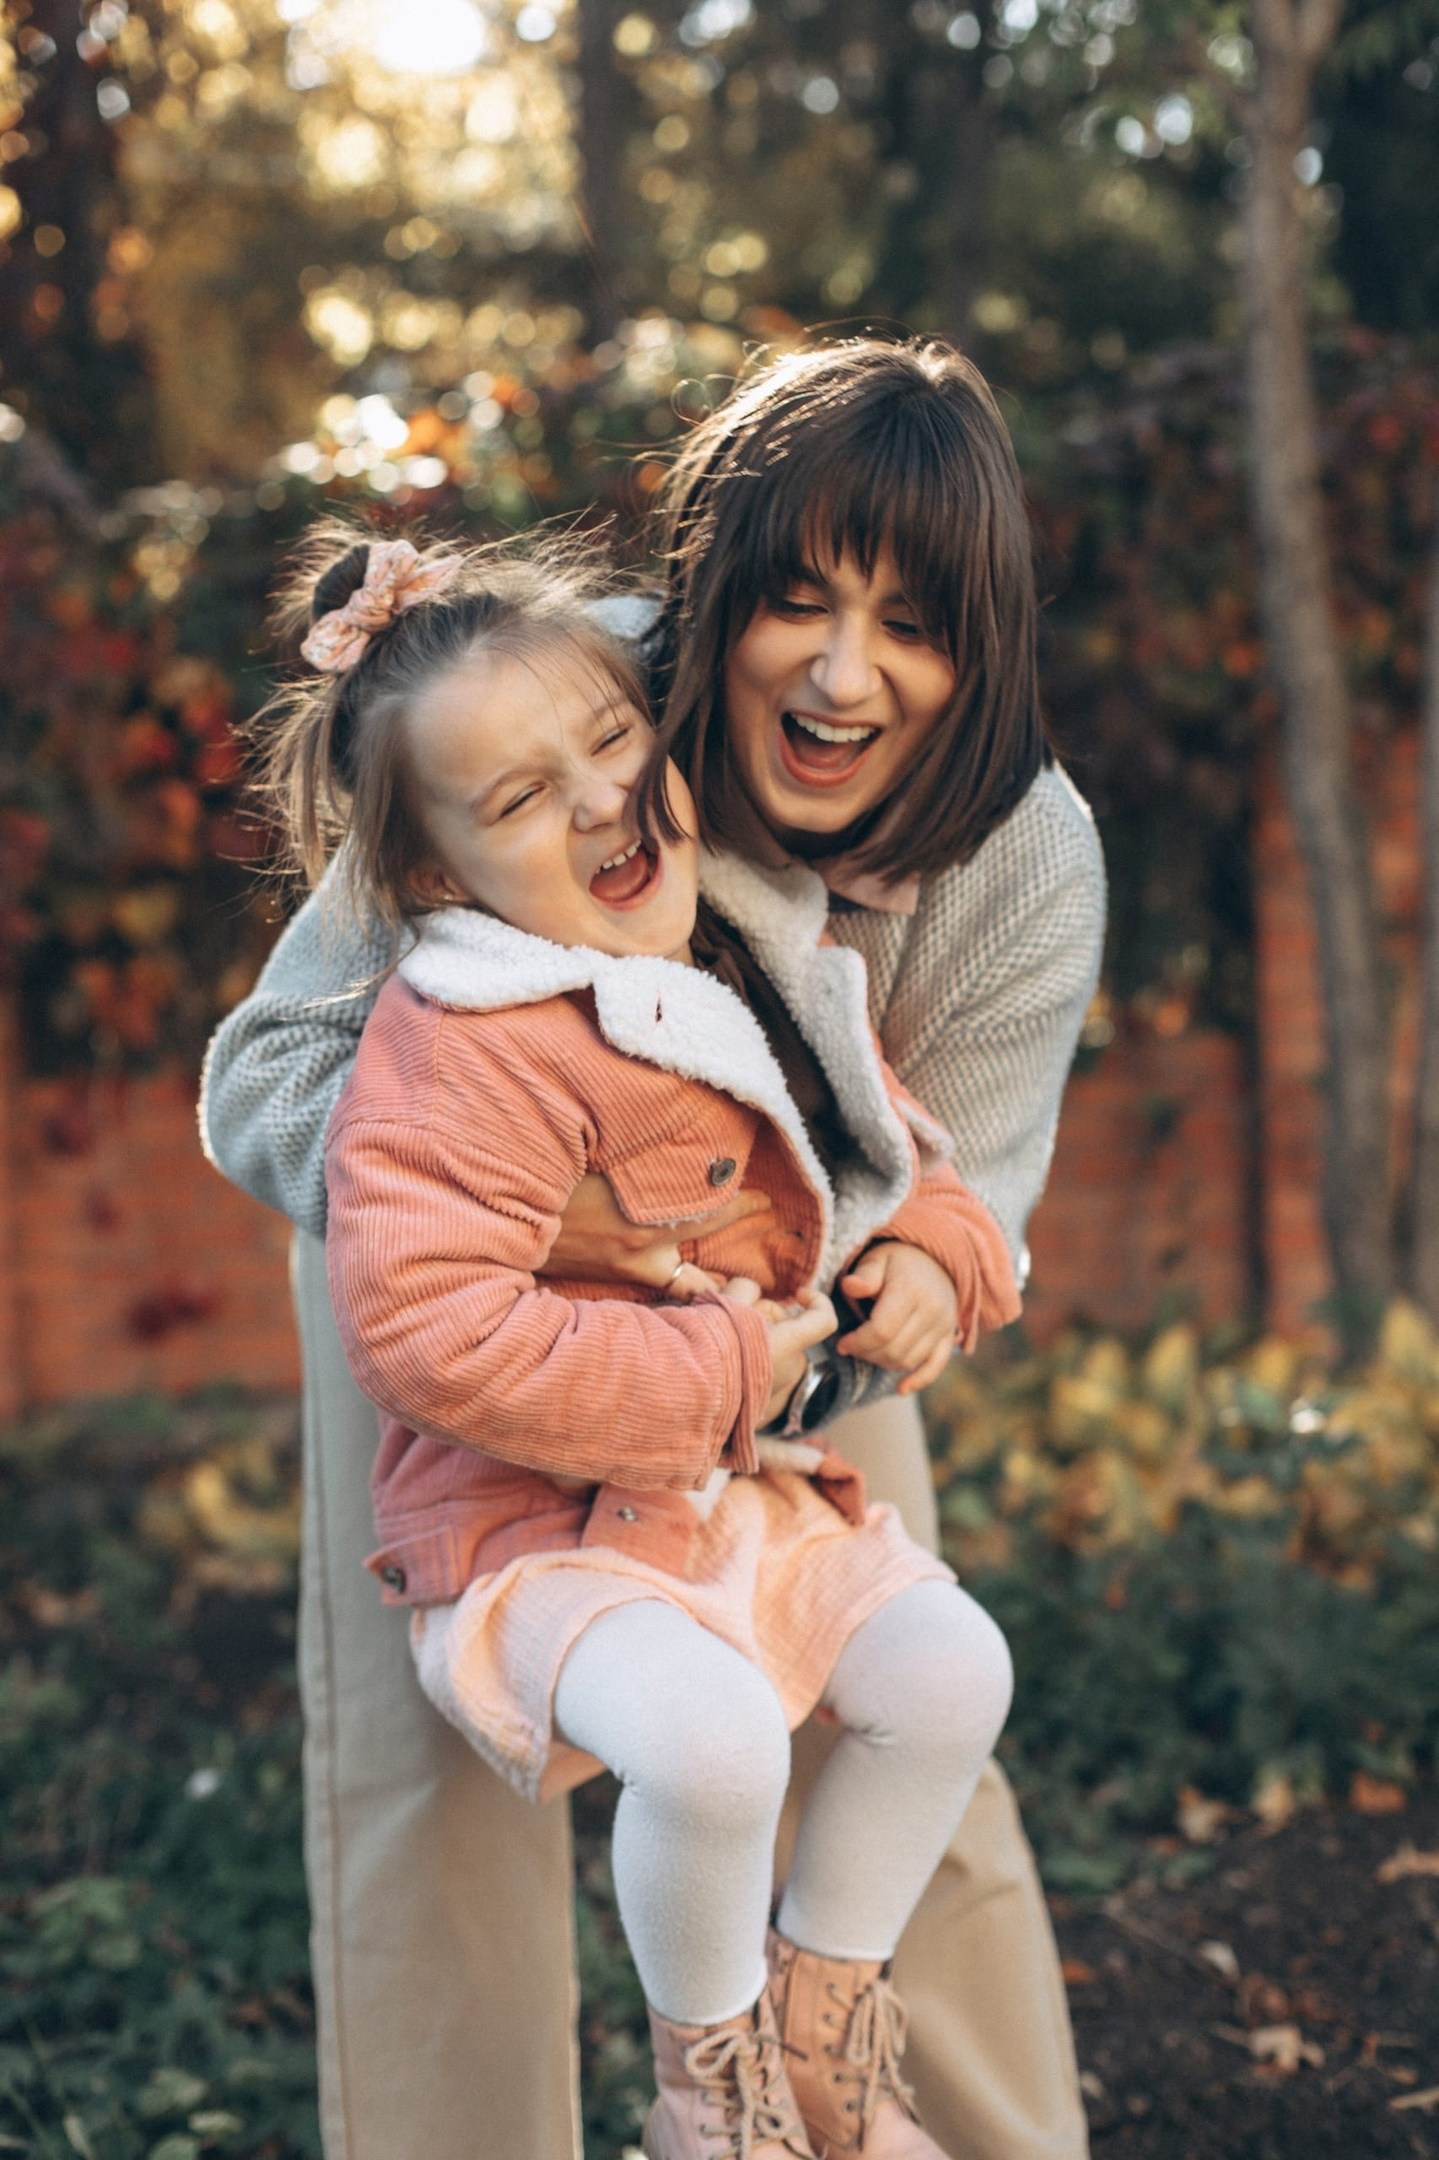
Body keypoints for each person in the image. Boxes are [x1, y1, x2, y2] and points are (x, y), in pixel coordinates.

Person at [200, 336, 1106, 2160]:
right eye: (795, 602)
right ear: (709, 600)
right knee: (440, 1766)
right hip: (451, 1285)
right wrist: (549, 1221)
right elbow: (266, 1073)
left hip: (783, 1300)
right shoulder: (548, 708)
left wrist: (896, 1281)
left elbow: (967, 1183)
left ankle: (883, 2097)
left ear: (988, 647)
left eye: (912, 625)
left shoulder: (1024, 861)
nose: (841, 675)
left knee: (893, 1678)